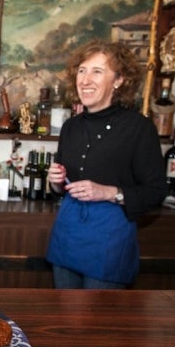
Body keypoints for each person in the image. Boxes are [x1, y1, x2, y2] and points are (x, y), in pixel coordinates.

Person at [46, 41, 166, 289]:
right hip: (68, 234)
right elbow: (61, 189)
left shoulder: (139, 128)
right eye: (82, 70)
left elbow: (156, 191)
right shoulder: (71, 127)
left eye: (97, 72)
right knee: (63, 321)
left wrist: (109, 192)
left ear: (119, 80)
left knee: (98, 324)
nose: (85, 80)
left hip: (108, 241)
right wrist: (55, 181)